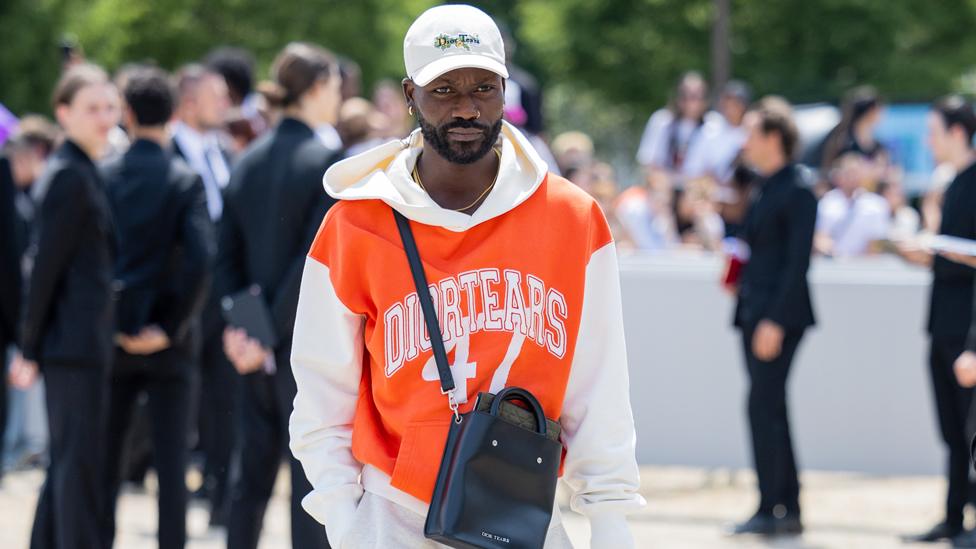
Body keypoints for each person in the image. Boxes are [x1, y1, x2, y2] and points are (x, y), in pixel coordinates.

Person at [289, 5, 645, 548]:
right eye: (444, 90)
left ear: (506, 92)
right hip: (393, 515)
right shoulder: (355, 222)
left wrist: (612, 525)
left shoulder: (572, 219)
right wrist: (346, 518)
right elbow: (320, 392)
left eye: (483, 88)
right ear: (410, 95)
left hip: (521, 514)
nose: (466, 108)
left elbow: (600, 388)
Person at [217, 41, 342, 549]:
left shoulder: (247, 161)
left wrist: (246, 330)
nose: (337, 96)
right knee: (308, 482)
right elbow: (314, 264)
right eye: (334, 86)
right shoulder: (326, 160)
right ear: (315, 89)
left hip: (251, 348)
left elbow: (223, 258)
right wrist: (268, 330)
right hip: (304, 348)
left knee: (250, 478)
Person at [99, 67, 215, 549]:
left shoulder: (104, 174)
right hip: (170, 339)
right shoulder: (184, 178)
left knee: (106, 460)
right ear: (173, 114)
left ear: (126, 113)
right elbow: (201, 258)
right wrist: (172, 326)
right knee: (171, 465)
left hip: (114, 331)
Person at [12, 63, 120, 549]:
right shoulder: (68, 176)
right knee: (76, 469)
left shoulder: (81, 170)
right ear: (63, 113)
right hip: (71, 349)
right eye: (92, 108)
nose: (104, 117)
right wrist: (28, 347)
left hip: (81, 345)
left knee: (68, 465)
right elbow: (43, 268)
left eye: (110, 107)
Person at [728, 96, 816, 537]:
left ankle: (774, 505)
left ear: (773, 137)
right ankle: (784, 506)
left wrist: (776, 321)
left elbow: (798, 263)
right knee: (769, 407)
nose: (744, 140)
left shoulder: (798, 188)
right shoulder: (765, 184)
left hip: (775, 318)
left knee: (763, 405)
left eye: (751, 131)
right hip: (755, 311)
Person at [900, 96, 976, 545]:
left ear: (956, 132)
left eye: (933, 132)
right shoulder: (949, 183)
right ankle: (953, 519)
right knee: (951, 429)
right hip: (942, 321)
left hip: (968, 326)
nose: (927, 142)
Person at [171, 62, 236, 523]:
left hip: (222, 301)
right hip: (179, 301)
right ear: (190, 101)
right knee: (180, 405)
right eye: (218, 97)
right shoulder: (168, 150)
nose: (227, 106)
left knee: (224, 400)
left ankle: (218, 494)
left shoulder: (223, 154)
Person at [636, 71, 720, 186]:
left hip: (697, 191)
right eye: (684, 95)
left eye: (695, 96)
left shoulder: (713, 126)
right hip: (662, 188)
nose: (689, 101)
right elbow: (647, 163)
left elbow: (714, 171)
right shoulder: (662, 120)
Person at [814, 153, 891, 258]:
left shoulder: (877, 205)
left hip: (865, 267)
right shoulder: (827, 203)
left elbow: (876, 243)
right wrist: (831, 252)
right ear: (839, 175)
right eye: (848, 173)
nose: (852, 177)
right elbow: (820, 236)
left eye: (856, 173)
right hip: (834, 266)